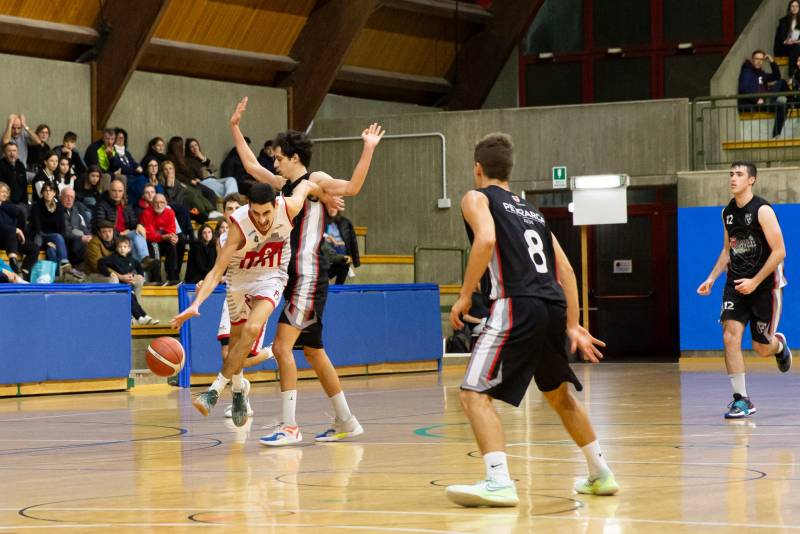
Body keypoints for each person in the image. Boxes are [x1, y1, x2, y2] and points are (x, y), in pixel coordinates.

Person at [445, 133, 616, 507]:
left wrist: (463, 295)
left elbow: (486, 240)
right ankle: (601, 474)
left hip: (517, 303)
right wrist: (572, 323)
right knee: (558, 393)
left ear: (477, 169)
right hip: (552, 305)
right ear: (509, 170)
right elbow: (566, 268)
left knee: (473, 394)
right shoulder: (531, 210)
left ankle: (498, 482)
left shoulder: (476, 197)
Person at [229, 96, 383, 446]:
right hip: (294, 276)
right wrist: (234, 128)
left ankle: (289, 426)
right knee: (313, 351)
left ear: (294, 157)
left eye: (279, 157)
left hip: (310, 275)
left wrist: (368, 148)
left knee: (282, 347)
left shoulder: (316, 181)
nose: (275, 162)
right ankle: (347, 420)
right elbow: (252, 166)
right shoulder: (284, 186)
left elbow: (353, 188)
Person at [170, 181, 326, 427]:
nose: (262, 219)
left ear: (275, 205)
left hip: (271, 277)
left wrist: (329, 196)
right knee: (233, 346)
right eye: (256, 213)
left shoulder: (289, 207)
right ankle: (239, 390)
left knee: (252, 329)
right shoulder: (237, 226)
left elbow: (307, 184)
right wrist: (196, 303)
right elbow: (216, 270)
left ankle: (214, 390)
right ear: (248, 207)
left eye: (266, 213)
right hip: (239, 282)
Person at [696, 161, 791, 419]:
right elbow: (728, 250)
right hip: (735, 285)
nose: (733, 178)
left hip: (765, 286)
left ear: (751, 180)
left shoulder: (763, 210)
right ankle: (741, 399)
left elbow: (780, 252)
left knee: (761, 348)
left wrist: (755, 281)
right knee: (730, 336)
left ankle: (779, 347)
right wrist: (712, 278)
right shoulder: (727, 213)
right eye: (731, 174)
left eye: (739, 174)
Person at [98, 235, 157, 325]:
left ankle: (143, 317)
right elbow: (101, 262)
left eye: (124, 247)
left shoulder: (131, 259)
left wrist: (141, 275)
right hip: (119, 286)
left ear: (129, 249)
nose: (122, 249)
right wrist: (109, 273)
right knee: (130, 297)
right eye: (120, 247)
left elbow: (138, 265)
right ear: (116, 248)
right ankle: (141, 317)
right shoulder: (113, 258)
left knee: (132, 298)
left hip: (128, 286)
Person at [92, 178, 149, 262]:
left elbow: (133, 221)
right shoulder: (102, 205)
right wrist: (120, 233)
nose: (117, 194)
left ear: (123, 192)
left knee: (138, 233)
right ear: (109, 191)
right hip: (112, 237)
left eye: (120, 191)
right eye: (114, 191)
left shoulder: (126, 205)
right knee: (131, 244)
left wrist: (139, 225)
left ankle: (145, 260)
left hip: (126, 235)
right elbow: (101, 226)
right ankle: (138, 268)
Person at [29, 181, 78, 278]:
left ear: (55, 193)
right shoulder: (36, 206)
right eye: (45, 190)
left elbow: (62, 228)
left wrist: (54, 244)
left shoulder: (59, 206)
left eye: (51, 190)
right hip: (40, 237)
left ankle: (56, 276)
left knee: (51, 251)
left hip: (55, 240)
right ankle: (64, 262)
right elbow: (37, 228)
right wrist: (48, 242)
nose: (48, 193)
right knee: (57, 236)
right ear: (42, 192)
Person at [737, 50, 789, 138]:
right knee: (781, 106)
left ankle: (793, 102)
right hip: (755, 102)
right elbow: (743, 88)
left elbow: (776, 76)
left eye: (761, 60)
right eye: (757, 59)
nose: (759, 61)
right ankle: (776, 136)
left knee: (782, 82)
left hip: (765, 98)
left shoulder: (761, 74)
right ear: (752, 60)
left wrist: (771, 60)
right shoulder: (747, 71)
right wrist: (756, 99)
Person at [139, 193, 185, 285]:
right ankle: (156, 278)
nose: (159, 205)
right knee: (154, 245)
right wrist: (164, 236)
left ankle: (172, 276)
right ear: (152, 203)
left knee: (173, 243)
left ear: (166, 203)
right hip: (151, 243)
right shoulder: (146, 213)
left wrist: (173, 237)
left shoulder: (170, 212)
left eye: (161, 202)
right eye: (156, 202)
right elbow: (150, 236)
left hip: (163, 241)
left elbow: (171, 230)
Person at [324, 206, 359, 285]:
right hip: (326, 255)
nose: (332, 209)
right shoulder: (321, 222)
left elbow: (352, 241)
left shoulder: (345, 222)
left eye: (334, 207)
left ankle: (338, 289)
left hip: (339, 254)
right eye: (330, 207)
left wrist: (355, 260)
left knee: (345, 262)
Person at [60, 187, 92, 267]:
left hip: (75, 240)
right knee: (78, 237)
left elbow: (80, 225)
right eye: (66, 196)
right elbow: (64, 232)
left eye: (72, 197)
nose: (69, 199)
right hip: (66, 242)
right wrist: (81, 238)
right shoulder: (57, 210)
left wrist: (89, 235)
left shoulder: (74, 209)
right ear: (60, 197)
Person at [0, 141, 29, 212]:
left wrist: (25, 202)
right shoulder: (1, 165)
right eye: (9, 151)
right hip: (6, 202)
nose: (12, 154)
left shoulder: (20, 165)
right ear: (4, 152)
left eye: (14, 151)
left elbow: (25, 185)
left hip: (21, 202)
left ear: (17, 152)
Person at [775, 0, 800, 77]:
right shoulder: (784, 21)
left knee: (796, 47)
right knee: (796, 48)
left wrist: (797, 41)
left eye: (796, 6)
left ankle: (792, 74)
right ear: (789, 8)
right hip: (785, 47)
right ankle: (793, 74)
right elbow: (780, 38)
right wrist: (786, 41)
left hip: (797, 45)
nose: (794, 8)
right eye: (792, 6)